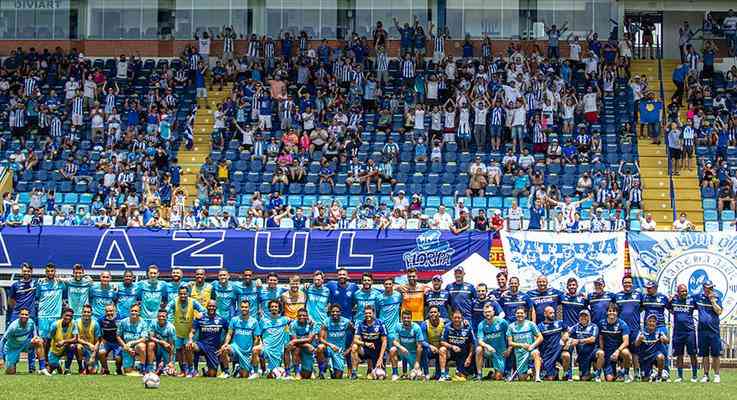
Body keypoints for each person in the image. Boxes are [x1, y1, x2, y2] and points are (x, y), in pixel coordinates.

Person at [188, 299, 229, 378]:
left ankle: (206, 370)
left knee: (212, 375)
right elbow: (192, 332)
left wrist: (225, 343)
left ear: (216, 307)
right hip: (202, 345)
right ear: (206, 307)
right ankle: (193, 370)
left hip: (214, 348)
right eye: (210, 306)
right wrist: (190, 340)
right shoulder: (200, 318)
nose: (211, 308)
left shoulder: (221, 320)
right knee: (190, 346)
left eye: (213, 306)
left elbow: (230, 332)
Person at [2, 308, 50, 375]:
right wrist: (1, 357)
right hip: (12, 348)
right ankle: (11, 364)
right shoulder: (13, 327)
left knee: (39, 341)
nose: (24, 316)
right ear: (19, 315)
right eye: (22, 314)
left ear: (29, 316)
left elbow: (34, 329)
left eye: (26, 314)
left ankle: (42, 368)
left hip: (25, 344)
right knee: (11, 372)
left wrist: (35, 336)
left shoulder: (31, 322)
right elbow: (3, 341)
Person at [223, 301, 262, 379]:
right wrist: (226, 343)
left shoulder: (254, 321)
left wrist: (252, 351)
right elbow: (229, 334)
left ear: (249, 308)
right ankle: (226, 372)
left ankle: (250, 371)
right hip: (235, 348)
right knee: (225, 349)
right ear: (239, 308)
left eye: (246, 307)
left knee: (244, 376)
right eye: (242, 307)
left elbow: (256, 339)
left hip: (247, 352)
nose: (244, 309)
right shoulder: (234, 320)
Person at [613, 275, 642, 379]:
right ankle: (623, 372)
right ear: (622, 284)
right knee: (623, 351)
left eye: (629, 282)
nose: (627, 284)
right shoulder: (617, 296)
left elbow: (642, 308)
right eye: (625, 282)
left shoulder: (639, 296)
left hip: (634, 328)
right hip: (621, 329)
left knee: (635, 352)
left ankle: (637, 373)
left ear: (632, 284)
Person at [595, 302, 633, 382]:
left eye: (614, 311)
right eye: (610, 311)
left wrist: (617, 351)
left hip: (619, 351)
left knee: (626, 353)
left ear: (617, 313)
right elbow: (601, 338)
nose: (612, 312)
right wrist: (602, 351)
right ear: (606, 312)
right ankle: (614, 373)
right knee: (609, 379)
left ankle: (626, 374)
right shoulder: (602, 323)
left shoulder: (623, 324)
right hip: (608, 353)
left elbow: (626, 342)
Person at [669, 283, 698, 382]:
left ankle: (694, 376)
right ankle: (680, 376)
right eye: (682, 291)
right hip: (678, 332)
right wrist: (670, 299)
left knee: (693, 354)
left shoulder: (692, 300)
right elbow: (669, 307)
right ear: (678, 292)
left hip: (690, 331)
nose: (684, 293)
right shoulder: (674, 301)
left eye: (685, 291)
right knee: (679, 354)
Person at [696, 280, 723, 383]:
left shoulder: (717, 297)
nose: (710, 290)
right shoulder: (698, 297)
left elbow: (719, 311)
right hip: (702, 331)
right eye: (708, 288)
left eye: (711, 287)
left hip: (714, 330)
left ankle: (716, 375)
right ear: (704, 288)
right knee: (705, 354)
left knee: (715, 354)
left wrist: (713, 301)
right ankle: (706, 375)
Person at [506, 307, 543, 382]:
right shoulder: (511, 326)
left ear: (525, 314)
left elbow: (540, 337)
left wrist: (532, 346)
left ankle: (537, 377)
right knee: (522, 378)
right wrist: (522, 345)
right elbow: (510, 343)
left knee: (536, 353)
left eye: (521, 313)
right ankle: (530, 372)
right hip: (519, 353)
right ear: (515, 315)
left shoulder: (531, 324)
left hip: (530, 351)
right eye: (518, 313)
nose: (520, 315)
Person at [351, 305, 387, 380]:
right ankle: (354, 373)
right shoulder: (360, 324)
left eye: (369, 313)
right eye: (366, 313)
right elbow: (355, 339)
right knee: (354, 346)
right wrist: (365, 344)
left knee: (380, 376)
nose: (368, 315)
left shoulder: (380, 323)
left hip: (377, 351)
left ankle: (371, 370)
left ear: (373, 313)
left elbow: (384, 341)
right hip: (365, 350)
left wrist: (380, 358)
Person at [316, 304, 352, 379]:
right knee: (320, 347)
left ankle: (331, 367)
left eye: (337, 311)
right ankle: (322, 371)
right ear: (330, 312)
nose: (335, 313)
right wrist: (330, 345)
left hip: (339, 350)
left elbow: (355, 335)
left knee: (338, 377)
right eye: (333, 311)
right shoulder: (326, 321)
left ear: (340, 312)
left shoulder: (346, 322)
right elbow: (321, 339)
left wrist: (349, 349)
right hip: (328, 348)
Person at [475, 303, 509, 381]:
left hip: (500, 351)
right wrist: (487, 346)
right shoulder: (481, 324)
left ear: (493, 312)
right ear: (483, 313)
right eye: (486, 312)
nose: (487, 313)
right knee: (478, 349)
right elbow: (480, 341)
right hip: (488, 351)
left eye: (489, 311)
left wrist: (508, 349)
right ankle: (479, 375)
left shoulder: (502, 322)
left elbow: (509, 336)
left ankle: (491, 375)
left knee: (498, 377)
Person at [439, 309, 475, 381]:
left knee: (463, 376)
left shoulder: (467, 327)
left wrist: (469, 357)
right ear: (452, 318)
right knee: (442, 349)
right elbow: (442, 342)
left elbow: (472, 344)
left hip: (463, 354)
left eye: (459, 318)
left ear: (462, 318)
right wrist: (452, 346)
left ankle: (468, 372)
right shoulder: (447, 327)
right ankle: (443, 375)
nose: (457, 319)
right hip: (450, 352)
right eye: (455, 318)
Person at [259, 300, 291, 378]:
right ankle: (262, 371)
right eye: (272, 307)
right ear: (269, 309)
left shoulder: (284, 320)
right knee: (258, 351)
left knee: (273, 373)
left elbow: (292, 321)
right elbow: (258, 334)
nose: (274, 308)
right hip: (266, 348)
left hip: (278, 349)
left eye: (276, 307)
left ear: (279, 308)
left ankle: (286, 373)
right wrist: (261, 344)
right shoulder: (263, 321)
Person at [389, 310, 424, 380]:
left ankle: (413, 371)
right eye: (404, 318)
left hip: (413, 353)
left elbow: (419, 347)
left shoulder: (416, 328)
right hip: (402, 352)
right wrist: (401, 347)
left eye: (408, 318)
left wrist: (417, 362)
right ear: (401, 318)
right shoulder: (398, 326)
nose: (406, 320)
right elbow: (394, 342)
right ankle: (395, 374)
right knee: (392, 350)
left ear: (411, 318)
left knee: (417, 375)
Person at [116, 304, 150, 377]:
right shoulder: (123, 322)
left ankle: (142, 368)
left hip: (137, 346)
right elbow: (118, 336)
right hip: (127, 347)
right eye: (132, 311)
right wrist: (126, 347)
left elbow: (144, 338)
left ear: (139, 312)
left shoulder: (143, 323)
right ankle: (135, 367)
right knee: (128, 372)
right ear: (129, 312)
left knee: (142, 346)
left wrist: (132, 342)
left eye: (136, 311)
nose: (134, 312)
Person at [537, 306, 570, 381]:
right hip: (547, 354)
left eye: (553, 313)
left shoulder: (559, 323)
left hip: (558, 352)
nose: (553, 315)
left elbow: (569, 330)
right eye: (550, 313)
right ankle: (555, 371)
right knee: (549, 379)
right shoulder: (540, 326)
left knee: (566, 355)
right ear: (545, 314)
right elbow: (537, 340)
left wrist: (566, 335)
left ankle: (565, 374)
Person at [567, 310, 599, 381]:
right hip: (583, 356)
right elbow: (567, 334)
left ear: (589, 317)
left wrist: (578, 341)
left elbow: (592, 339)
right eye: (582, 316)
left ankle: (598, 374)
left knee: (600, 354)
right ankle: (592, 374)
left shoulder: (594, 326)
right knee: (584, 378)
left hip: (592, 352)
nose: (583, 318)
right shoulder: (576, 327)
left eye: (585, 316)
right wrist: (568, 340)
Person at [636, 314, 669, 382]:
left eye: (653, 321)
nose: (651, 323)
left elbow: (668, 341)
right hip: (645, 358)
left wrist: (664, 339)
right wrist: (639, 339)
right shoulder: (642, 332)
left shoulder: (659, 332)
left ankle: (659, 376)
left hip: (655, 356)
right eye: (650, 321)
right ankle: (652, 373)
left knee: (660, 357)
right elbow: (636, 344)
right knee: (645, 380)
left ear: (656, 323)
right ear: (646, 322)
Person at [287, 308, 317, 379]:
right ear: (297, 316)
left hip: (308, 349)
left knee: (308, 376)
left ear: (307, 316)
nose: (302, 317)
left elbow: (310, 339)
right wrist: (306, 344)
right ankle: (297, 372)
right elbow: (294, 340)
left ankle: (311, 370)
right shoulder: (293, 324)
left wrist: (306, 344)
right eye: (300, 315)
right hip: (300, 347)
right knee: (296, 349)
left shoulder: (312, 324)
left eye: (304, 315)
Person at [75, 304, 101, 375]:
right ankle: (81, 367)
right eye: (85, 312)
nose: (86, 313)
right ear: (82, 313)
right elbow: (76, 339)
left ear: (91, 313)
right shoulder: (77, 322)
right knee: (78, 347)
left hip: (91, 349)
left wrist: (93, 356)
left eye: (88, 312)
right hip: (83, 347)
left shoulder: (95, 324)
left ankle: (90, 364)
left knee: (92, 372)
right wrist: (88, 344)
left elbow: (98, 341)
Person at [149, 308, 176, 375]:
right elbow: (150, 337)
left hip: (166, 349)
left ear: (167, 317)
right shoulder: (153, 323)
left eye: (163, 316)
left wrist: (171, 361)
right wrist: (162, 342)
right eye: (159, 316)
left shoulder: (170, 328)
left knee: (169, 372)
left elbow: (172, 345)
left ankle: (164, 366)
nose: (161, 318)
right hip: (157, 346)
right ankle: (150, 367)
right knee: (151, 344)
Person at [97, 304, 123, 375]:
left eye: (111, 311)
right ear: (105, 312)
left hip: (117, 343)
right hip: (106, 342)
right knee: (101, 352)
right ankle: (106, 370)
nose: (109, 313)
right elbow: (99, 332)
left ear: (115, 311)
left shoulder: (120, 318)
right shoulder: (101, 320)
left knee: (118, 358)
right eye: (107, 311)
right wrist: (102, 340)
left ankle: (118, 369)